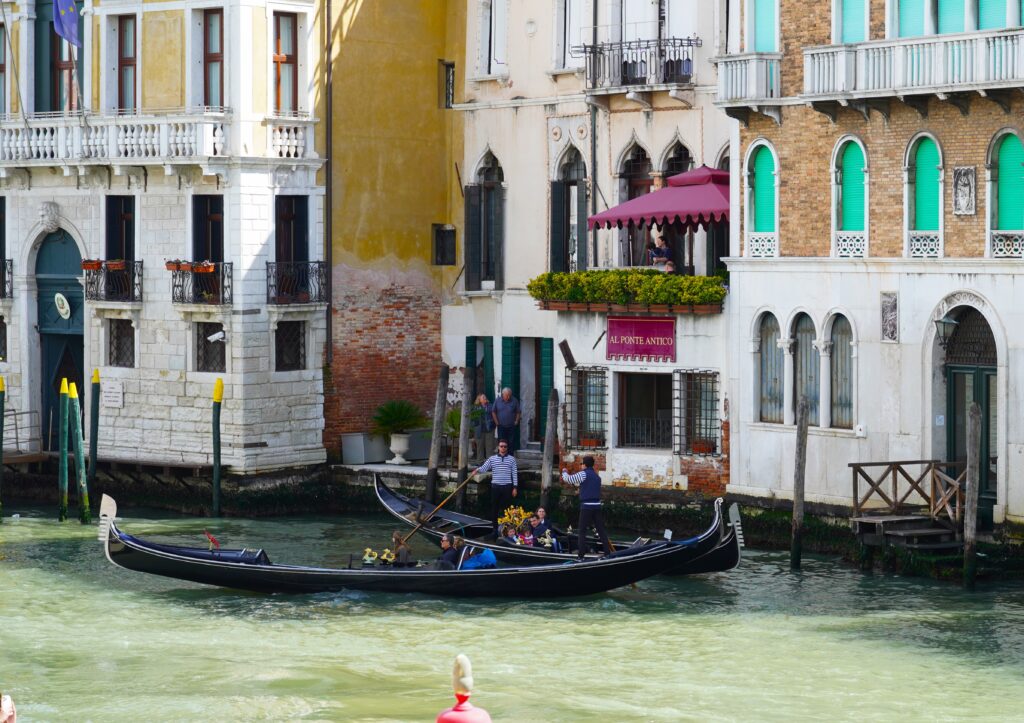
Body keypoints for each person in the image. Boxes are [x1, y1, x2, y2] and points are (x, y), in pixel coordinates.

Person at [561, 455, 613, 561]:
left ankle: (581, 556)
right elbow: (591, 489)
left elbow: (569, 479)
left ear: (584, 465)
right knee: (601, 530)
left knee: (582, 531)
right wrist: (581, 491)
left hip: (586, 507)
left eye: (581, 464)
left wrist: (564, 471)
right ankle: (607, 553)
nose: (581, 466)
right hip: (597, 506)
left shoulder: (583, 474)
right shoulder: (597, 476)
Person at [472, 439, 518, 534]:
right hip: (495, 487)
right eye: (501, 446)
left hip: (507, 486)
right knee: (494, 508)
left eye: (505, 446)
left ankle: (507, 528)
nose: (503, 448)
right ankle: (494, 529)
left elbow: (514, 473)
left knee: (507, 508)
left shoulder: (512, 459)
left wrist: (515, 487)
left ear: (507, 448)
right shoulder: (492, 459)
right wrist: (476, 470)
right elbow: (484, 468)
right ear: (498, 447)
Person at [491, 387, 522, 454]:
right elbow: (493, 411)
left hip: (511, 426)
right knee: (501, 442)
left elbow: (518, 412)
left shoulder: (514, 400)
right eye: (506, 395)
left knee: (511, 442)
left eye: (509, 395)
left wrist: (516, 421)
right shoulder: (497, 401)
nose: (508, 397)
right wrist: (497, 422)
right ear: (503, 394)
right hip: (501, 425)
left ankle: (510, 457)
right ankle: (500, 457)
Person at [473, 393, 496, 463]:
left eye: (485, 397)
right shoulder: (475, 407)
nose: (485, 398)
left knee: (490, 447)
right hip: (479, 430)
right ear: (479, 400)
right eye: (483, 397)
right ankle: (480, 461)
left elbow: (494, 416)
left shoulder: (491, 406)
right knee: (480, 447)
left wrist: (494, 425)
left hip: (489, 429)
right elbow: (472, 419)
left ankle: (490, 463)